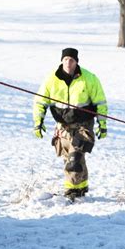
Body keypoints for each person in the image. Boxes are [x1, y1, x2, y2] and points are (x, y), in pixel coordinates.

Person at [33, 48, 108, 201]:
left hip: (83, 125)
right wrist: (38, 122)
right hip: (63, 127)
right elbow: (40, 101)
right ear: (61, 60)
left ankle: (71, 193)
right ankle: (81, 188)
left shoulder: (89, 78)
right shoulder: (51, 79)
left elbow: (100, 102)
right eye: (66, 59)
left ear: (76, 62)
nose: (68, 62)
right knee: (71, 159)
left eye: (72, 60)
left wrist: (102, 123)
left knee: (75, 159)